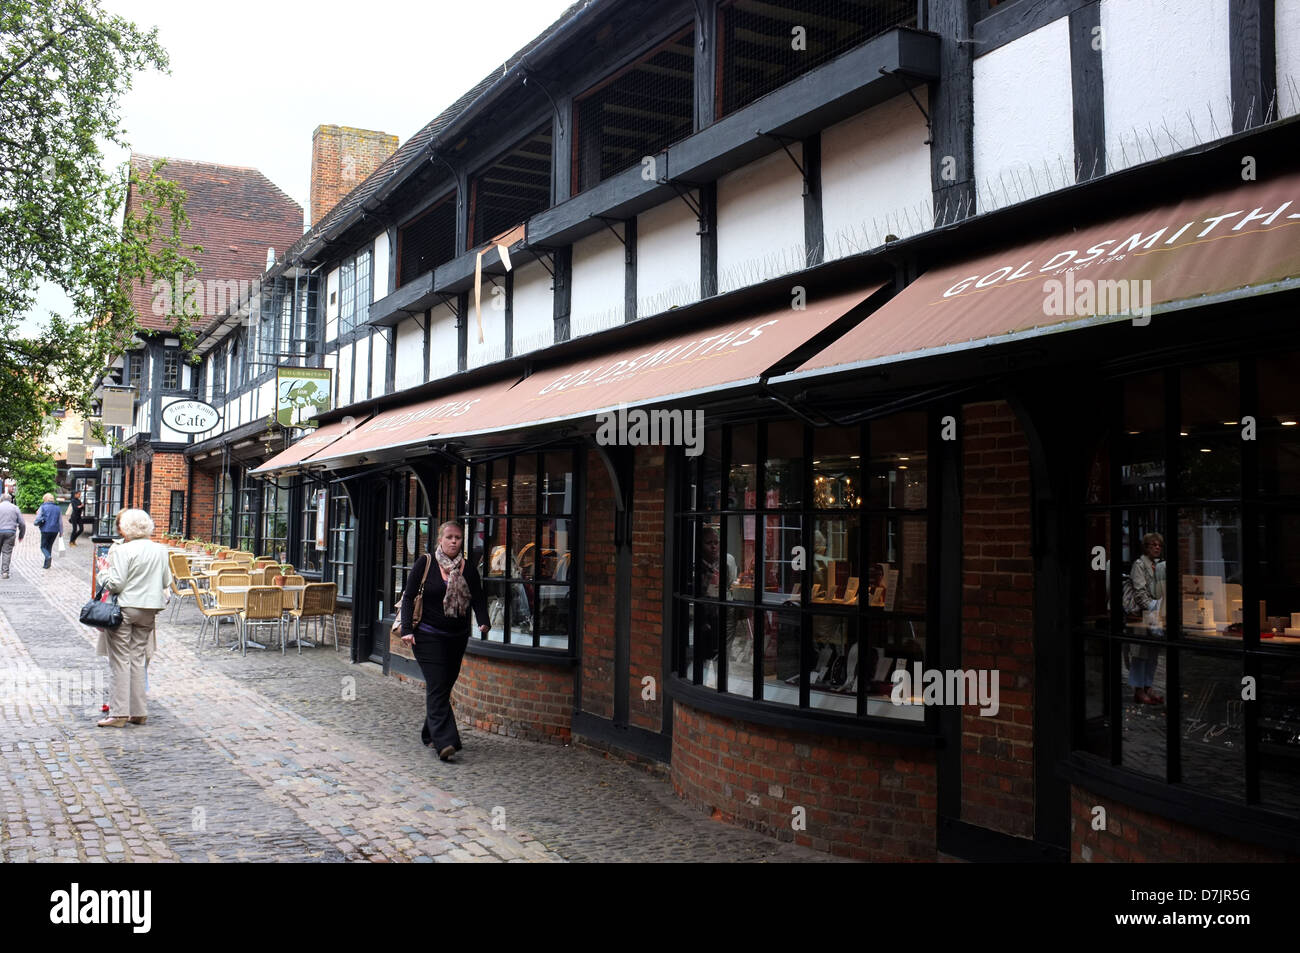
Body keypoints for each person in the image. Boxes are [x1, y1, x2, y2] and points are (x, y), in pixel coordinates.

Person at [399, 521, 488, 761]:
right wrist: (407, 629)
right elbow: (408, 597)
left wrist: (483, 621)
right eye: (449, 537)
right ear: (440, 539)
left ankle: (430, 733)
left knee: (443, 686)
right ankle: (446, 742)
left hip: (456, 637)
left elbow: (478, 597)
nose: (453, 541)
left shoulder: (468, 568)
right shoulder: (425, 563)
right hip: (427, 636)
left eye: (458, 538)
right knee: (438, 685)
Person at [94, 509, 171, 727]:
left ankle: (118, 714)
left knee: (120, 660)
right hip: (150, 609)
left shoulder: (122, 550)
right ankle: (138, 712)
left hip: (126, 608)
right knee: (138, 659)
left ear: (126, 528)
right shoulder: (160, 549)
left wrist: (102, 572)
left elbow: (116, 583)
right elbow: (166, 580)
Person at [1127, 531, 1166, 705]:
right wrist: (1154, 606)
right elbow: (1139, 592)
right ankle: (1138, 689)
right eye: (1154, 544)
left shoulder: (1159, 566)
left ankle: (1148, 686)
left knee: (1153, 653)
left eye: (1159, 545)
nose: (1157, 547)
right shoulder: (1139, 565)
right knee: (1140, 653)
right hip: (1142, 616)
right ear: (1146, 547)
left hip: (1157, 616)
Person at [33, 492, 62, 569]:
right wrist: (61, 532)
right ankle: (46, 565)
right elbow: (60, 521)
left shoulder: (43, 507)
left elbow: (38, 518)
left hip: (45, 529)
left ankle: (48, 557)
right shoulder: (58, 508)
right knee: (49, 546)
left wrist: (37, 516)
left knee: (43, 546)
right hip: (55, 530)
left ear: (45, 499)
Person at [0, 494, 25, 579]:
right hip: (10, 532)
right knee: (7, 552)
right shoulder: (15, 508)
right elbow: (22, 523)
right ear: (11, 500)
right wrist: (21, 535)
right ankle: (5, 572)